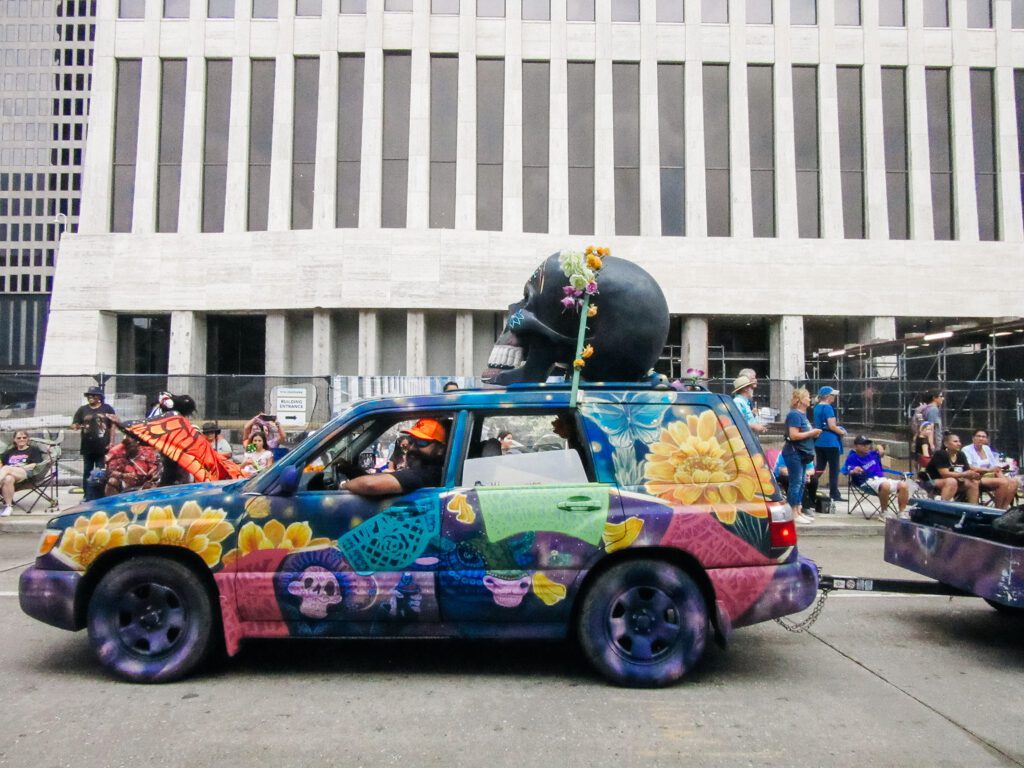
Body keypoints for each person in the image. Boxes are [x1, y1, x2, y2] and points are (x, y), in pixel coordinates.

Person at [342, 418, 448, 496]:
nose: (412, 448)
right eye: (412, 441)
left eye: (421, 442)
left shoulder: (430, 473)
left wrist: (342, 486)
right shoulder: (429, 471)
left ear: (440, 449)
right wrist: (351, 470)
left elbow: (370, 485)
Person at [841, 435, 910, 519]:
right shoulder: (852, 457)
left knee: (903, 485)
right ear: (856, 446)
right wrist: (853, 470)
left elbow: (882, 448)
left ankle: (901, 513)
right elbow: (846, 470)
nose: (866, 446)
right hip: (867, 482)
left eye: (867, 444)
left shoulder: (873, 454)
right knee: (885, 485)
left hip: (881, 479)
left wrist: (879, 446)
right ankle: (884, 511)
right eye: (863, 444)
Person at [781, 388, 822, 525]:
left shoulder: (803, 415)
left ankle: (798, 510)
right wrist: (812, 433)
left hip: (803, 453)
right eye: (807, 396)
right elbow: (793, 435)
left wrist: (813, 434)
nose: (810, 399)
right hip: (794, 452)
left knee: (802, 481)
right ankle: (792, 512)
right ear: (800, 400)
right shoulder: (794, 415)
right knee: (796, 481)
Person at [72, 386, 117, 493]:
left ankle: (100, 493)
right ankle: (87, 494)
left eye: (93, 395)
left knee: (101, 471)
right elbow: (74, 424)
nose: (90, 397)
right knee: (87, 471)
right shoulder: (82, 409)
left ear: (99, 397)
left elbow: (113, 425)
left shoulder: (107, 408)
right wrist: (77, 426)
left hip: (102, 446)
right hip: (87, 446)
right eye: (89, 395)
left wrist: (111, 442)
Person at [963, 429, 1019, 510]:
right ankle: (997, 509)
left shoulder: (986, 448)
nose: (981, 438)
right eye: (978, 436)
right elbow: (969, 466)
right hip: (976, 476)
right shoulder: (966, 449)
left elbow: (994, 465)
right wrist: (988, 470)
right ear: (973, 438)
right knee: (1003, 482)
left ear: (986, 439)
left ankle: (1004, 508)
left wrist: (1000, 469)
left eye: (983, 437)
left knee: (1014, 482)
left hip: (990, 475)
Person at [812, 386, 847, 510]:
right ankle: (834, 493)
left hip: (819, 440)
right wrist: (842, 432)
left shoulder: (816, 407)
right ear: (827, 396)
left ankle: (809, 486)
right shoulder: (828, 408)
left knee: (819, 467)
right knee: (834, 468)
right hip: (830, 441)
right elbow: (832, 425)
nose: (834, 397)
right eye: (832, 395)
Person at [925, 432, 980, 503]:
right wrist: (964, 474)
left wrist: (973, 475)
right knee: (951, 481)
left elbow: (967, 471)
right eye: (955, 441)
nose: (959, 444)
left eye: (959, 441)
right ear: (946, 444)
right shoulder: (940, 454)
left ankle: (972, 507)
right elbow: (945, 474)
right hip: (932, 480)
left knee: (973, 482)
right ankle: (942, 506)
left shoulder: (961, 454)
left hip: (956, 481)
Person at [1, 431, 43, 517]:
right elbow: (2, 463)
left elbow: (34, 464)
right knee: (8, 479)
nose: (22, 439)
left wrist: (19, 467)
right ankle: (8, 506)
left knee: (6, 468)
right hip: (9, 473)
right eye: (19, 438)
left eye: (24, 437)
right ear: (14, 439)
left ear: (27, 439)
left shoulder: (33, 449)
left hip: (24, 472)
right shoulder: (10, 451)